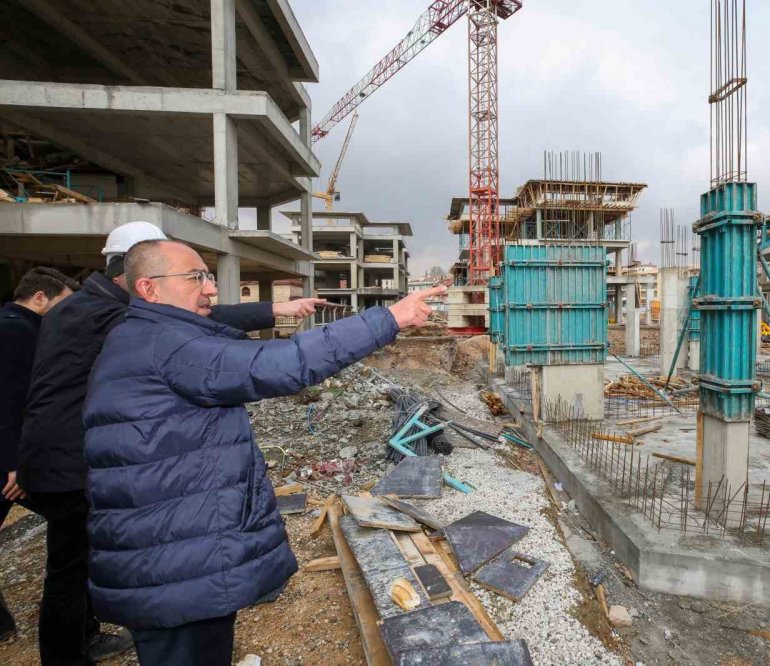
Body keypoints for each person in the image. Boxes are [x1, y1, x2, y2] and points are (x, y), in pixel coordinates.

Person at [82, 239, 444, 665]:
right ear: (149, 288)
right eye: (196, 277)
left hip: (170, 546)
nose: (211, 289)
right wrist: (389, 317)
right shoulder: (168, 346)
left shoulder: (147, 335)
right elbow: (281, 364)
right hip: (176, 557)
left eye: (209, 276)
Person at [16, 222, 325, 666]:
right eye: (194, 278)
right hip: (73, 459)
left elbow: (198, 322)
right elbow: (200, 333)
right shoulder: (112, 316)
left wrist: (276, 311)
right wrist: (276, 313)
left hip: (80, 451)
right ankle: (68, 653)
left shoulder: (91, 307)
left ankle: (85, 637)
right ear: (138, 276)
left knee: (91, 561)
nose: (205, 291)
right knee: (76, 568)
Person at [0, 267, 80, 640]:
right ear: (39, 299)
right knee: (76, 532)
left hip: (16, 457)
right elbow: (12, 401)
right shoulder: (18, 332)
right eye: (63, 305)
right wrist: (14, 465)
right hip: (14, 463)